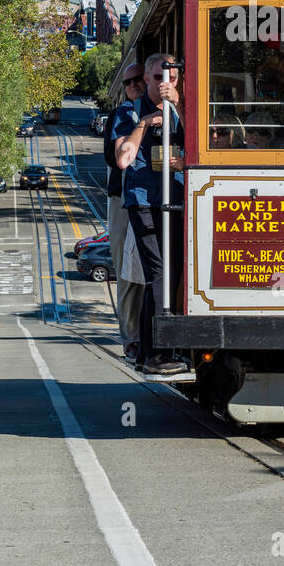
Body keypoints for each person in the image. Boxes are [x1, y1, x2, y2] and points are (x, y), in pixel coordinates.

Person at [113, 52, 188, 375]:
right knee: (158, 272)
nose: (164, 83)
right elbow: (122, 159)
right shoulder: (128, 111)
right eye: (158, 77)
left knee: (170, 274)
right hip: (143, 200)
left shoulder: (182, 110)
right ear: (147, 79)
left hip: (176, 198)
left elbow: (199, 146)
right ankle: (160, 353)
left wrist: (178, 106)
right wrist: (145, 123)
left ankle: (147, 352)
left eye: (171, 77)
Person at [104, 64, 145, 364]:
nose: (132, 85)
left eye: (137, 79)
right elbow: (116, 158)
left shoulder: (167, 112)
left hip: (154, 198)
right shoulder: (121, 116)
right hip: (122, 201)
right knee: (127, 272)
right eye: (127, 82)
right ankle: (131, 338)